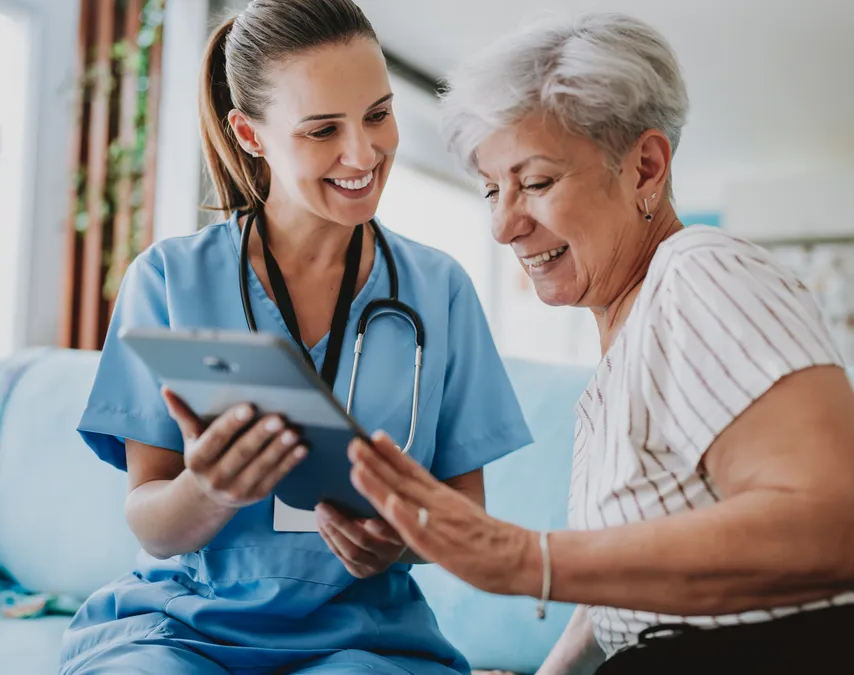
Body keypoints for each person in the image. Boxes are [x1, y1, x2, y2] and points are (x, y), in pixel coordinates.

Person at [344, 12, 854, 675]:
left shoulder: (699, 271)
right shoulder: (620, 363)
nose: (504, 225)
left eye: (535, 181)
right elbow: (638, 585)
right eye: (490, 189)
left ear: (646, 168)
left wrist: (528, 557)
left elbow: (841, 525)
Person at [59, 1, 532, 673]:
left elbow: (464, 515)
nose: (363, 153)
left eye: (377, 114)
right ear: (250, 134)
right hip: (181, 627)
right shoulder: (168, 279)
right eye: (321, 130)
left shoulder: (440, 290)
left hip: (364, 638)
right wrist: (210, 491)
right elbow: (151, 520)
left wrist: (398, 540)